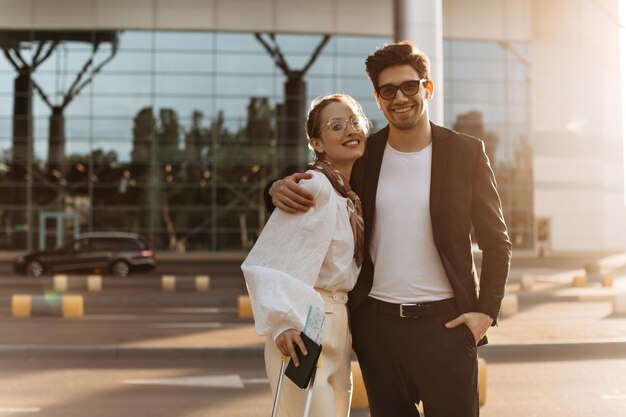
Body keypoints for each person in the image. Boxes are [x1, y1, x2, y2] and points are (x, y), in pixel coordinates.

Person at [267, 41, 512, 417]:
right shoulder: (365, 154)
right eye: (388, 91)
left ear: (427, 89)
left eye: (409, 86)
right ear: (378, 100)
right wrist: (272, 187)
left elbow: (497, 243)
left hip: (447, 326)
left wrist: (485, 313)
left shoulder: (466, 153)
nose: (400, 98)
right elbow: (319, 177)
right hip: (378, 329)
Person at [242, 93, 370, 417]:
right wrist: (282, 323)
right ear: (318, 143)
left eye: (355, 121)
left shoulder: (348, 196)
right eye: (336, 125)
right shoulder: (315, 186)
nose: (350, 130)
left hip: (337, 321)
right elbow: (268, 259)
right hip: (304, 323)